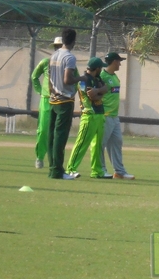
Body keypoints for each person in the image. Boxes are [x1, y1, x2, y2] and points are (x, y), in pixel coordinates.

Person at [47, 29, 82, 180]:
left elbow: (49, 78)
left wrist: (52, 93)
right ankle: (58, 171)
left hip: (53, 99)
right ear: (74, 41)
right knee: (60, 136)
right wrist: (80, 78)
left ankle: (52, 168)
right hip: (65, 100)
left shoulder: (53, 55)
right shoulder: (69, 57)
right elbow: (68, 79)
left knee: (51, 135)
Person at [66, 57, 108, 178]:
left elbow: (105, 88)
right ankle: (70, 169)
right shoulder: (84, 80)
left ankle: (97, 171)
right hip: (89, 115)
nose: (102, 69)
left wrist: (98, 91)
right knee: (82, 143)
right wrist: (100, 94)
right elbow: (92, 97)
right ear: (98, 68)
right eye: (101, 67)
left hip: (99, 114)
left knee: (97, 145)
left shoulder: (97, 78)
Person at [99, 51, 134, 180]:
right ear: (114, 62)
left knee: (117, 142)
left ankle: (119, 172)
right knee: (100, 144)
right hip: (105, 115)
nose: (120, 64)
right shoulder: (102, 76)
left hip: (114, 117)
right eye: (119, 61)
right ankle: (100, 169)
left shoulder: (114, 77)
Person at [31, 36, 62, 169]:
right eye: (57, 47)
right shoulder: (45, 62)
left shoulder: (68, 64)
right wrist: (40, 91)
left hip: (61, 101)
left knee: (58, 132)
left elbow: (75, 80)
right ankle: (40, 157)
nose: (59, 49)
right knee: (43, 130)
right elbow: (34, 77)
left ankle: (55, 160)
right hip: (46, 101)